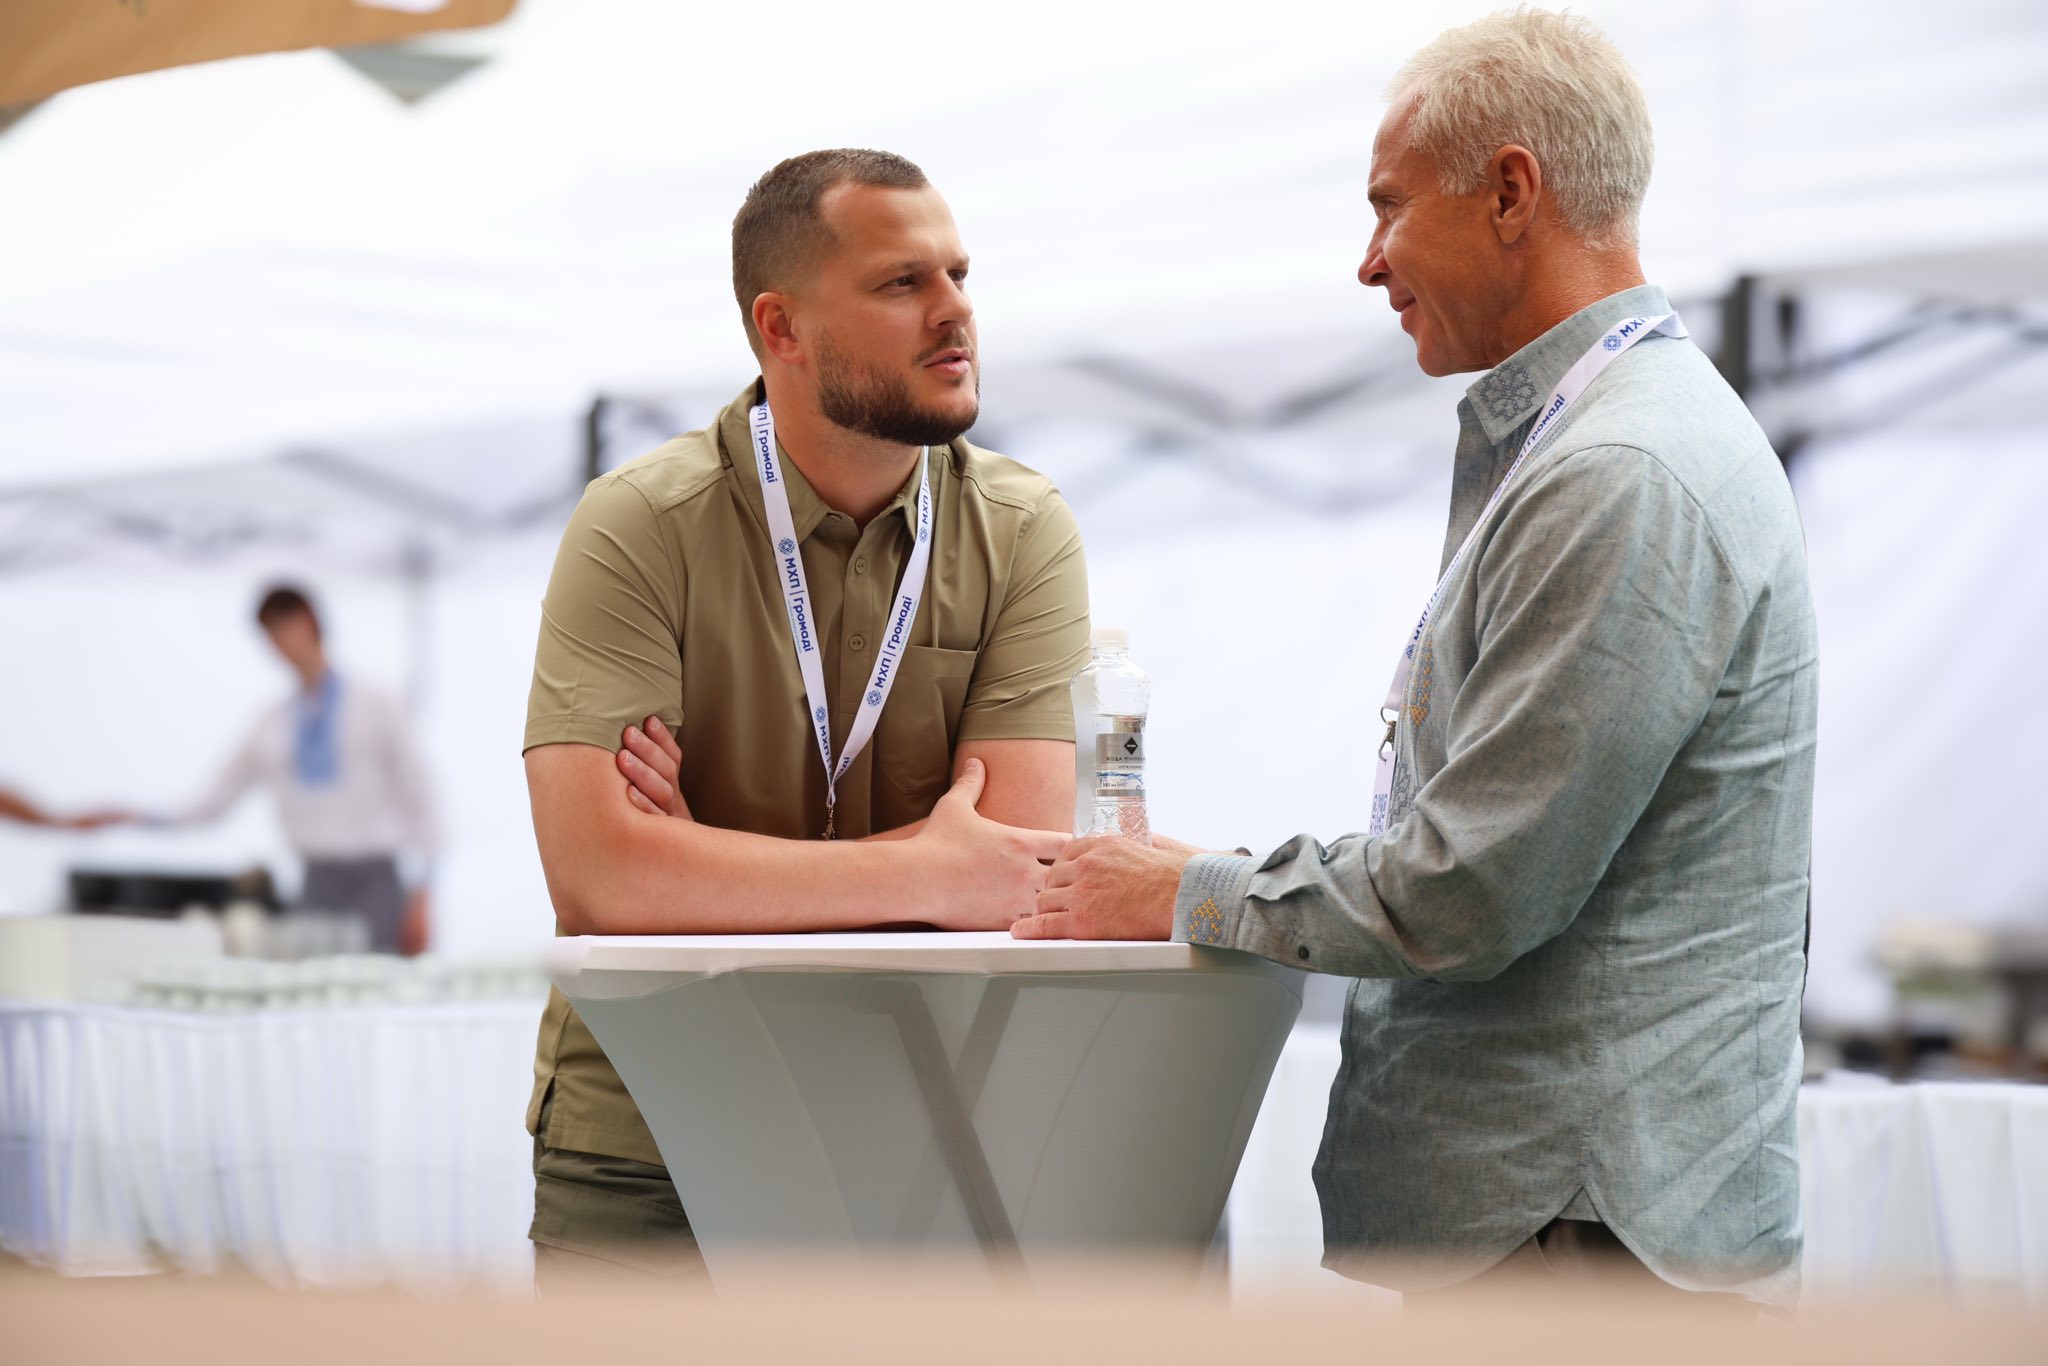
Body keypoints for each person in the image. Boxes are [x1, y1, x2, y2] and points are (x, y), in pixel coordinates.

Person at [1017, 9, 1816, 1310]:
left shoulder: (1619, 471)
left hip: (1578, 1243)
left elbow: (1471, 892)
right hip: (1572, 1221)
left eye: (1387, 207)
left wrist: (1190, 890)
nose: (1367, 261)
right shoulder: (1607, 444)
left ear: (1509, 192)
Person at [521, 148, 1089, 1289]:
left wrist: (700, 871)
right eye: (902, 283)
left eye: (958, 275)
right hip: (649, 1134)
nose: (954, 313)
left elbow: (1010, 881)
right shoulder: (639, 523)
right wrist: (922, 869)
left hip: (910, 1122)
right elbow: (600, 879)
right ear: (779, 327)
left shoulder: (1023, 529)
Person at [98, 585, 439, 953]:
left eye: (285, 627)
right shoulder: (272, 724)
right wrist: (137, 817)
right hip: (316, 883)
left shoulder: (377, 704)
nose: (280, 643)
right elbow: (213, 802)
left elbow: (423, 800)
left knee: (382, 979)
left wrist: (424, 893)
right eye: (271, 634)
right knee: (313, 980)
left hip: (376, 882)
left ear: (310, 621)